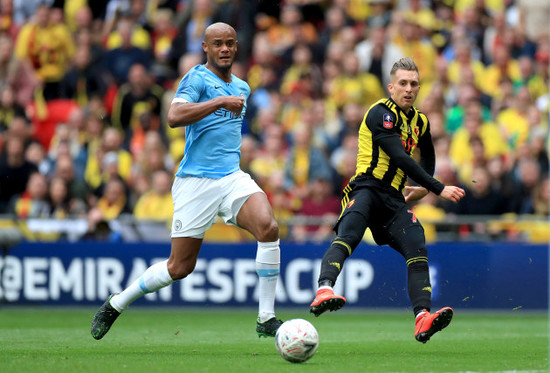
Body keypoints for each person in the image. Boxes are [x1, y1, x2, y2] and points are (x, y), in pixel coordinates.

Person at [91, 22, 283, 340]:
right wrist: (220, 101)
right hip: (196, 181)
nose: (224, 49)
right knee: (179, 267)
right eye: (217, 43)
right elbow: (173, 117)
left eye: (230, 43)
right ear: (205, 47)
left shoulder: (244, 87)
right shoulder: (196, 77)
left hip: (232, 177)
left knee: (269, 227)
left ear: (237, 48)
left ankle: (266, 316)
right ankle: (117, 303)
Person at [309, 58, 466, 343]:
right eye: (403, 83)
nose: (408, 89)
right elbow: (400, 156)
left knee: (416, 244)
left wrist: (421, 187)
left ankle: (422, 318)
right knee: (351, 234)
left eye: (414, 84)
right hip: (366, 188)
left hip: (394, 199)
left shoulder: (420, 121)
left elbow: (428, 156)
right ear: (391, 86)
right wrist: (437, 187)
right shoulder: (380, 113)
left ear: (419, 87)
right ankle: (324, 289)